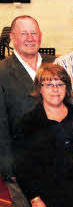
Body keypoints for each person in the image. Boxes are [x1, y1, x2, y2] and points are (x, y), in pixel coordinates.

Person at [0, 15, 55, 207]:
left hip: (58, 163)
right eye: (24, 33)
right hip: (22, 166)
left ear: (40, 36)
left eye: (34, 33)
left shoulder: (56, 64)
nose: (30, 38)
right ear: (12, 38)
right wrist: (8, 168)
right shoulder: (2, 72)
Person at [14, 64, 73, 207]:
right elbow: (21, 166)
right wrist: (34, 198)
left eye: (60, 84)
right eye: (49, 85)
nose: (55, 90)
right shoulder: (28, 122)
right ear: (40, 89)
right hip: (47, 197)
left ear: (67, 87)